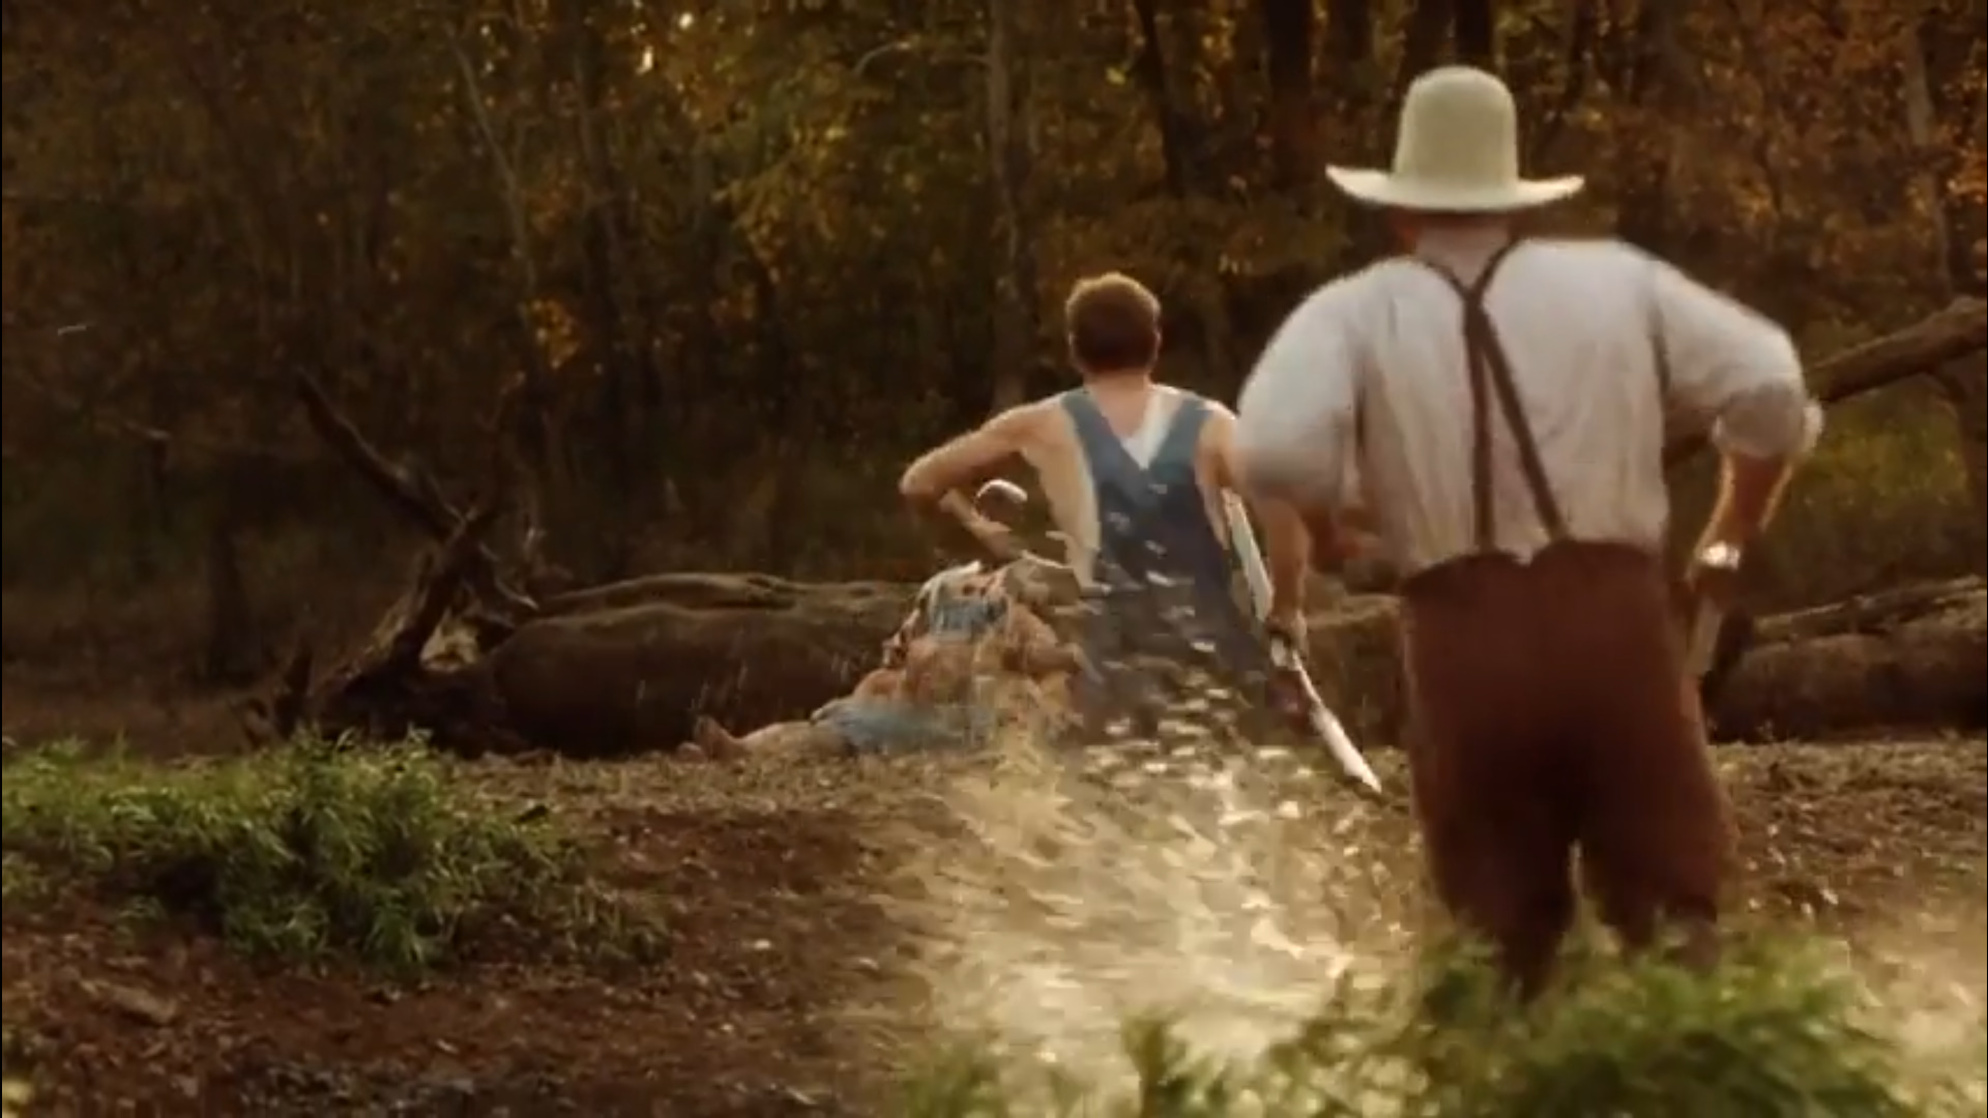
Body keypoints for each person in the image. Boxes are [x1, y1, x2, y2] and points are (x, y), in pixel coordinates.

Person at [1232, 66, 1820, 997]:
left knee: (1499, 936)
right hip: (1615, 627)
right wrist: (1730, 531)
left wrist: (1333, 527)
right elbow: (1773, 390)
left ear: (1401, 212)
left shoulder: (1353, 312)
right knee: (1674, 910)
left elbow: (1271, 450)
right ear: (1514, 202)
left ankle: (1522, 1056)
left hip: (1464, 642)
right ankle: (1703, 1054)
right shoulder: (1617, 282)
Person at [896, 273, 1314, 740]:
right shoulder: (1213, 424)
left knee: (1109, 766)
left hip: (1112, 659)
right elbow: (1284, 509)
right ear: (1155, 343)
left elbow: (919, 483)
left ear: (1074, 350)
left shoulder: (1040, 424)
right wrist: (1287, 607)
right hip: (1210, 650)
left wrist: (975, 527)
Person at [689, 554, 1081, 760]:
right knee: (839, 720)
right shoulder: (943, 601)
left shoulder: (1016, 618)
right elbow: (901, 646)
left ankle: (751, 751)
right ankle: (745, 747)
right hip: (910, 704)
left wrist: (1038, 662)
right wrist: (898, 652)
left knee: (839, 735)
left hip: (955, 719)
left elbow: (1047, 667)